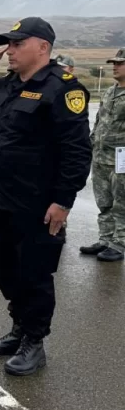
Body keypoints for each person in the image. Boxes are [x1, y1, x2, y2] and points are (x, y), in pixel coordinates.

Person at [0, 16, 92, 376]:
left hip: (39, 205)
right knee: (7, 270)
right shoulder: (9, 83)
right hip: (3, 198)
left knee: (35, 273)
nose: (11, 50)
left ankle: (34, 342)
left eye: (18, 43)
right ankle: (19, 328)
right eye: (8, 43)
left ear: (43, 47)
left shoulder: (63, 89)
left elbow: (76, 151)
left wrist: (63, 201)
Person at [80, 47, 125, 262]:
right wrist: (91, 144)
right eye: (114, 63)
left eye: (120, 63)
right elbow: (99, 121)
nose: (115, 66)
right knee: (104, 201)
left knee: (121, 202)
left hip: (121, 159)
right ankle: (105, 239)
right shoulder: (110, 91)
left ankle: (119, 244)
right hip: (100, 157)